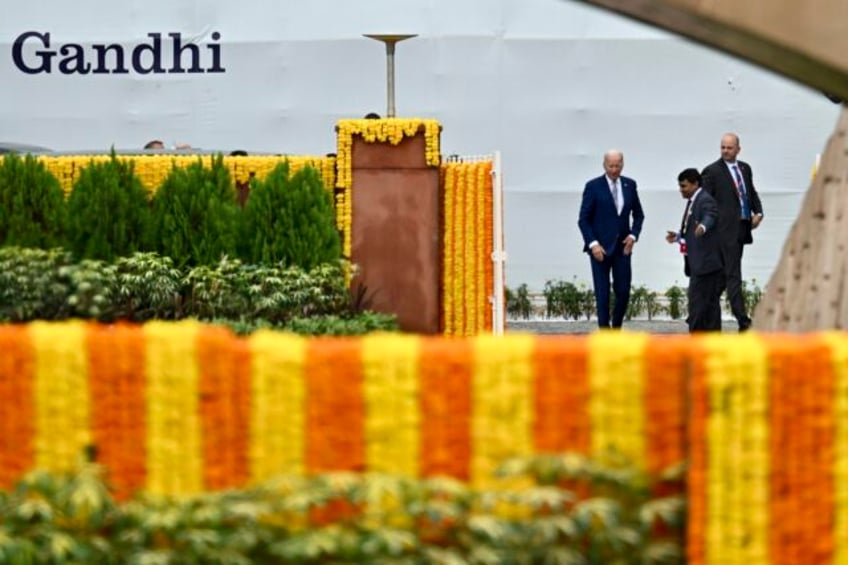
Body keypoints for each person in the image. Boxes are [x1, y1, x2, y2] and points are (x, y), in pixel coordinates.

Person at [701, 133, 763, 331]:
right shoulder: (711, 172)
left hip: (741, 230)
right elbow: (705, 203)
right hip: (723, 233)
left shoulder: (745, 168)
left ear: (738, 149)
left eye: (729, 148)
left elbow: (750, 192)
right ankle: (744, 322)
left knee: (721, 279)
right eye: (723, 147)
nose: (725, 151)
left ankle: (699, 312)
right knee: (733, 276)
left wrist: (758, 212)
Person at [578, 149, 645, 329]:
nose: (614, 170)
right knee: (603, 294)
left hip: (623, 248)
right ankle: (604, 332)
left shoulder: (630, 185)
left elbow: (639, 215)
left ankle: (616, 327)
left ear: (623, 164)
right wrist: (593, 244)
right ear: (604, 165)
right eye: (611, 166)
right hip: (600, 248)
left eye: (618, 165)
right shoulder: (593, 186)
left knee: (623, 292)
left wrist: (633, 235)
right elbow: (583, 219)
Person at [665, 168, 723, 332]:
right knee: (708, 306)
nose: (681, 190)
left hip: (706, 265)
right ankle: (709, 342)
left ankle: (697, 342)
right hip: (700, 264)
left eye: (684, 186)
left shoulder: (705, 200)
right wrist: (678, 237)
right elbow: (691, 232)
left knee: (698, 306)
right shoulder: (693, 201)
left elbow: (710, 215)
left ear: (695, 184)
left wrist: (703, 227)